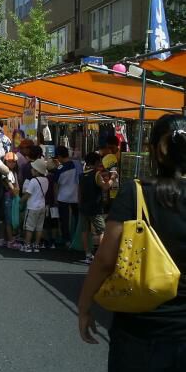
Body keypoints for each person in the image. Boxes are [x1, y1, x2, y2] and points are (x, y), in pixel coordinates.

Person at [78, 115, 186, 370]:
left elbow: (105, 260)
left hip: (141, 329)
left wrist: (84, 305)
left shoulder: (137, 192)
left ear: (152, 150)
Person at [79, 152, 112, 264]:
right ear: (97, 162)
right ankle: (99, 255)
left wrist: (80, 204)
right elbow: (105, 187)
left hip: (83, 206)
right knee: (101, 230)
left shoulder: (82, 174)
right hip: (95, 207)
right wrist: (113, 179)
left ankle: (87, 254)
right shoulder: (96, 174)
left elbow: (79, 192)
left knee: (85, 231)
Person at [54, 146, 82, 247]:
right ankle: (78, 238)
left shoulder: (59, 169)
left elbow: (56, 184)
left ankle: (67, 240)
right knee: (78, 218)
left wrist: (55, 198)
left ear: (60, 156)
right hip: (76, 196)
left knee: (64, 220)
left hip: (62, 197)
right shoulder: (78, 164)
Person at [20, 159, 49, 253]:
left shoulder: (33, 181)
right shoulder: (46, 180)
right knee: (39, 227)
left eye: (33, 169)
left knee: (29, 227)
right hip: (42, 206)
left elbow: (28, 194)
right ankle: (36, 245)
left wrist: (21, 201)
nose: (31, 170)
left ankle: (27, 245)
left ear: (37, 171)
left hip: (32, 206)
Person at [2, 152, 20, 249]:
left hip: (11, 196)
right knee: (9, 219)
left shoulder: (12, 172)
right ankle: (10, 241)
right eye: (10, 161)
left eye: (14, 161)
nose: (12, 163)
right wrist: (15, 192)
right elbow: (10, 185)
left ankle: (6, 239)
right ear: (5, 161)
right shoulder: (6, 172)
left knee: (8, 218)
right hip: (9, 196)